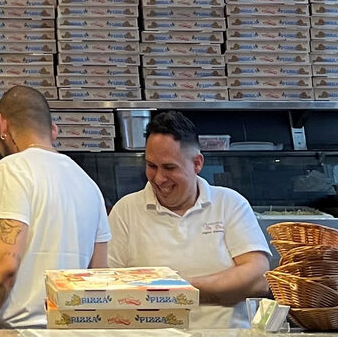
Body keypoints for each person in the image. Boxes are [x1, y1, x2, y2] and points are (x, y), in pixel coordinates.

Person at [0, 85, 111, 328]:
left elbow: (4, 264)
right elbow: (100, 276)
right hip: (73, 331)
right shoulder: (89, 185)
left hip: (19, 332)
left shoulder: (13, 169)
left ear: (2, 125)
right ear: (53, 130)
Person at [108, 111, 271, 328]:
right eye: (151, 166)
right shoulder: (125, 211)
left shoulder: (229, 203)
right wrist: (224, 290)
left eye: (169, 167)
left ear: (197, 163)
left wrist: (179, 289)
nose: (158, 178)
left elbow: (258, 276)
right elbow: (109, 286)